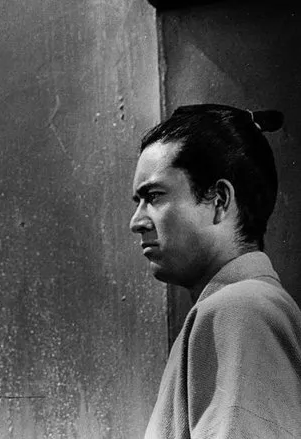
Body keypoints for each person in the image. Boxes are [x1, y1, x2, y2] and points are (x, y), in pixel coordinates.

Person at [130, 104, 301, 438]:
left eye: (154, 196)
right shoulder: (243, 305)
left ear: (220, 200)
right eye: (138, 201)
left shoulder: (240, 309)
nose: (136, 221)